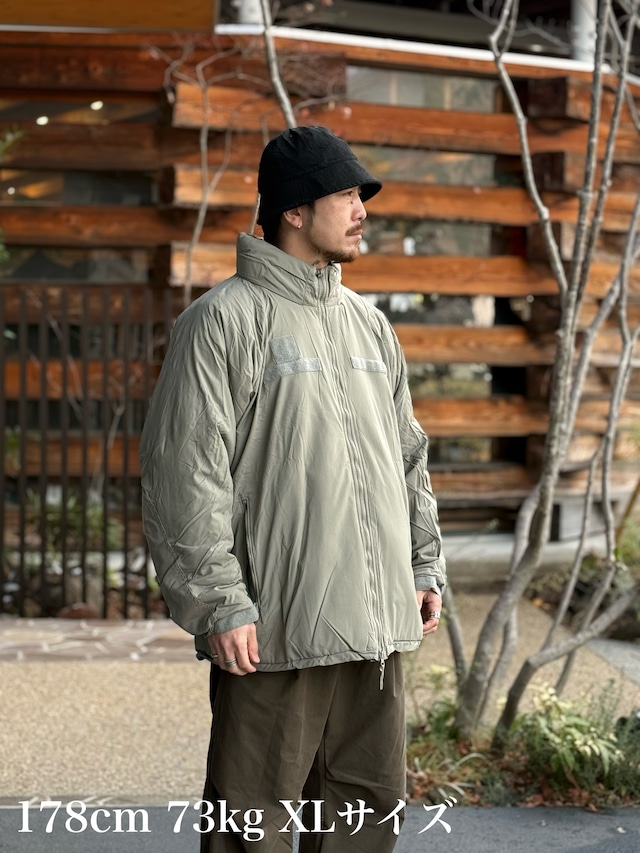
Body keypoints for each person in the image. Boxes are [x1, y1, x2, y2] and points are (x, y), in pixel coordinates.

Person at [139, 125, 446, 852]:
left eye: (362, 196)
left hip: (375, 633)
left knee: (367, 816)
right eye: (346, 195)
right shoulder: (221, 322)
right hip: (274, 630)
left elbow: (408, 457)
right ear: (294, 210)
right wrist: (219, 601)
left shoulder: (370, 325)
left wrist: (422, 563)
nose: (362, 211)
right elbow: (186, 476)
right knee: (255, 826)